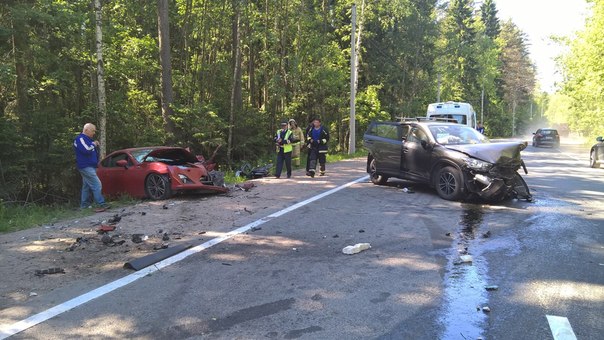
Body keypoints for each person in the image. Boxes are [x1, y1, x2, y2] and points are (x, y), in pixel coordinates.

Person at [73, 123, 108, 210]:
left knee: (86, 186)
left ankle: (84, 205)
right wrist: (94, 144)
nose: (94, 133)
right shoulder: (80, 138)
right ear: (86, 130)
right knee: (97, 184)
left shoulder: (87, 139)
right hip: (85, 166)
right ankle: (101, 204)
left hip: (91, 166)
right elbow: (86, 150)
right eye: (93, 131)